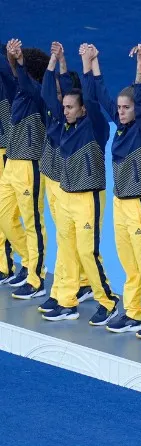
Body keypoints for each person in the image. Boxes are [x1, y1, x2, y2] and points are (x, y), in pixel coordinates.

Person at [89, 44, 141, 339]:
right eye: (120, 108)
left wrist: (140, 63)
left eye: (126, 108)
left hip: (140, 206)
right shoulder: (122, 126)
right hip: (120, 204)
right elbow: (102, 95)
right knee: (129, 263)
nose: (120, 112)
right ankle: (134, 312)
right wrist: (94, 62)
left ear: (137, 110)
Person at [41, 43, 119, 324]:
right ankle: (67, 301)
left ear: (83, 110)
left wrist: (87, 64)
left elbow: (94, 98)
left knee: (88, 251)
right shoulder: (60, 127)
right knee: (68, 248)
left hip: (88, 198)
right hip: (66, 196)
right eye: (64, 107)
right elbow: (47, 95)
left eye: (71, 107)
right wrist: (55, 62)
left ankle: (108, 301)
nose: (65, 111)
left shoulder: (95, 128)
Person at [37, 41, 93, 316]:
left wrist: (65, 63)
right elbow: (48, 88)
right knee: (67, 242)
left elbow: (72, 87)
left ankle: (71, 291)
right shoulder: (57, 114)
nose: (60, 101)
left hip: (69, 187)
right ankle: (67, 288)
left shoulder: (78, 121)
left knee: (73, 244)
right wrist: (55, 59)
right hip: (54, 182)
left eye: (66, 98)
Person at [0, 39, 49, 297]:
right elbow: (11, 76)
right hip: (12, 163)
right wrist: (12, 58)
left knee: (32, 222)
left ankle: (36, 276)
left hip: (30, 164)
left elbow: (22, 79)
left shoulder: (38, 93)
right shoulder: (20, 91)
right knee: (4, 217)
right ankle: (29, 260)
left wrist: (16, 61)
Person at [0, 42, 24, 285]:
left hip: (7, 150)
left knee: (7, 214)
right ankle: (3, 264)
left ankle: (27, 263)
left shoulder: (6, 79)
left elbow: (10, 73)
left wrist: (9, 57)